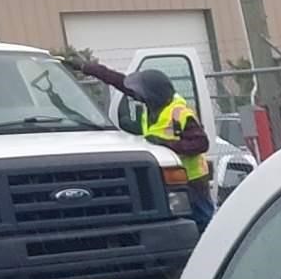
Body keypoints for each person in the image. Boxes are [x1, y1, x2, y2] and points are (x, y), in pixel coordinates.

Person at [67, 57, 214, 226]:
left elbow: (201, 143)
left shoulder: (180, 113)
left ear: (152, 95)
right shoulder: (153, 104)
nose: (137, 96)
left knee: (203, 222)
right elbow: (119, 81)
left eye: (141, 93)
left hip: (193, 181)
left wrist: (165, 144)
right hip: (166, 176)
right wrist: (86, 67)